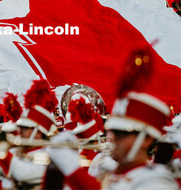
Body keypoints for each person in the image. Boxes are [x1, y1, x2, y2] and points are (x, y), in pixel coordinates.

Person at [47, 49, 178, 189]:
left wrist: (73, 170)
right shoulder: (116, 177)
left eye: (123, 133)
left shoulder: (157, 184)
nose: (113, 138)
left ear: (147, 140)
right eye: (112, 131)